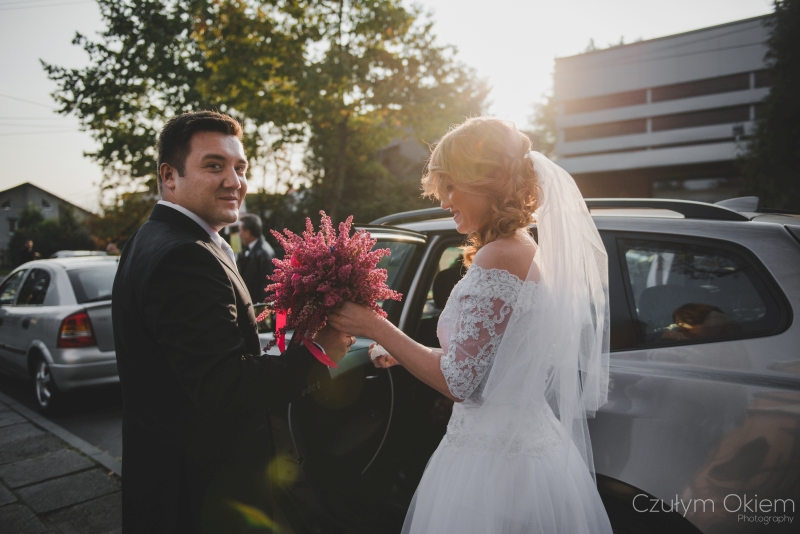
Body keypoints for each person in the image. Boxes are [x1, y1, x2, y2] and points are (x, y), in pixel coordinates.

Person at [328, 117, 613, 533]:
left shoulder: (499, 256)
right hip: (525, 445)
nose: (445, 202)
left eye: (451, 186)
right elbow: (490, 363)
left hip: (494, 464)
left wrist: (376, 326)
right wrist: (405, 353)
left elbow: (460, 383)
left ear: (487, 180)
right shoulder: (523, 247)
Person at [112, 111, 354, 534]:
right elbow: (224, 385)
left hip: (170, 478)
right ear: (169, 176)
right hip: (202, 492)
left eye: (240, 168)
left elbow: (198, 349)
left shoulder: (153, 237)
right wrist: (318, 352)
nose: (234, 181)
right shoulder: (184, 255)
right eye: (214, 166)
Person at [236, 213, 275, 303]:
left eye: (240, 230)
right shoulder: (247, 250)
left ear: (247, 233)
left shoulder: (264, 254)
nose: (239, 234)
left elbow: (268, 288)